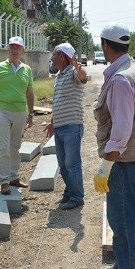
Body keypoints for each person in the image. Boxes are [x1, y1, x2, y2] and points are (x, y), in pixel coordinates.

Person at [93, 23, 135, 269]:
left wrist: (106, 164)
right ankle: (122, 263)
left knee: (125, 219)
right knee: (118, 216)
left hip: (125, 161)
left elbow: (121, 130)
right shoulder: (133, 70)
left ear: (106, 45)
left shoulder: (120, 79)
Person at [0, 36, 35, 195]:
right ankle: (4, 180)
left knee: (15, 146)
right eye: (12, 47)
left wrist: (31, 114)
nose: (14, 50)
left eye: (17, 47)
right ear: (8, 49)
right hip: (2, 111)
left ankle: (14, 177)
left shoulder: (26, 69)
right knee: (3, 147)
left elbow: (29, 92)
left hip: (20, 112)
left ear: (23, 50)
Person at [44, 42, 88, 210]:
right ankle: (69, 192)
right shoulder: (59, 75)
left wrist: (79, 68)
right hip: (60, 127)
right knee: (63, 164)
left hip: (72, 126)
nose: (52, 58)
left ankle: (77, 197)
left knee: (72, 163)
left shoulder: (72, 73)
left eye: (54, 54)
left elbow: (83, 78)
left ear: (61, 56)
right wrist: (52, 123)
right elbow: (58, 102)